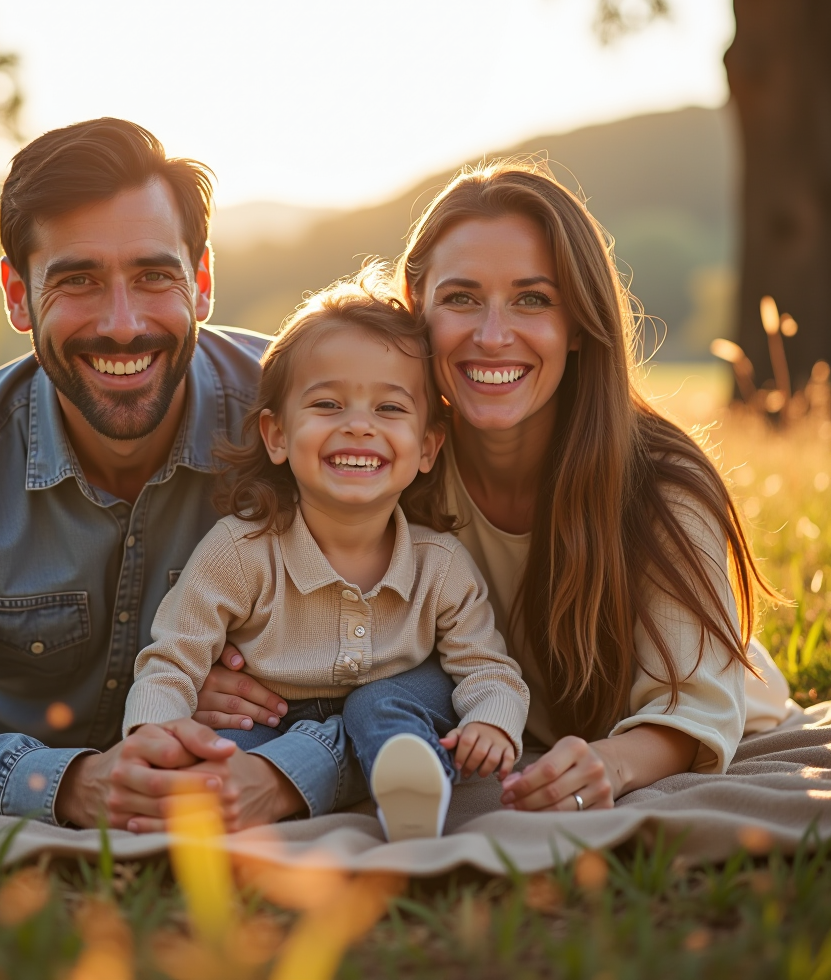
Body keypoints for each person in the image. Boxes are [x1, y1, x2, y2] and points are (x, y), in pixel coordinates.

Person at [104, 160, 791, 823]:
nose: (493, 336)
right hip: (472, 723)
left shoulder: (660, 485)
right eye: (461, 299)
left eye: (533, 299)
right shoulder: (390, 466)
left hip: (659, 725)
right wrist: (235, 678)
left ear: (579, 323)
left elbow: (694, 711)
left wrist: (608, 765)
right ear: (417, 311)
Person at [0, 117, 307, 827]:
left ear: (202, 281)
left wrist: (283, 774)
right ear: (18, 294)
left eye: (154, 276)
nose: (121, 324)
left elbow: (404, 659)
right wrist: (74, 784)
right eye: (78, 280)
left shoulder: (309, 424)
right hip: (12, 731)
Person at [122, 276, 529, 840]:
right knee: (218, 763)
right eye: (328, 404)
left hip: (401, 708)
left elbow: (486, 669)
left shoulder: (441, 566)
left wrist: (493, 722)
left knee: (384, 705)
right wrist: (155, 736)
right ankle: (328, 781)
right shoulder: (239, 553)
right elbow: (173, 661)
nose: (358, 424)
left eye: (389, 407)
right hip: (272, 721)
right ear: (277, 435)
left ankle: (413, 794)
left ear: (429, 446)